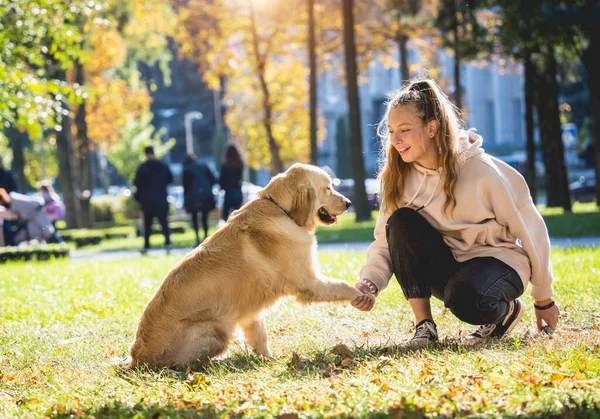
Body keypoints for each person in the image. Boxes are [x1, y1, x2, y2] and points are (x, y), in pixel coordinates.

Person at [351, 76, 560, 346]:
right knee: (400, 221)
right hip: (450, 267)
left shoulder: (482, 171)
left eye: (404, 129)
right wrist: (370, 283)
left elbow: (532, 230)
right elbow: (386, 240)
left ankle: (507, 311)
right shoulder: (398, 178)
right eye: (391, 131)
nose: (396, 139)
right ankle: (424, 327)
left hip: (499, 263)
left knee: (464, 298)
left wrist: (543, 298)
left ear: (431, 128)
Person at [134, 146, 174, 254]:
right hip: (161, 199)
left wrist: (139, 199)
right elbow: (170, 179)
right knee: (164, 224)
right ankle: (168, 244)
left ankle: (146, 246)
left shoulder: (142, 167)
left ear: (145, 154)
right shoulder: (163, 166)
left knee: (147, 226)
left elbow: (137, 184)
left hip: (147, 202)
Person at [182, 153, 218, 246]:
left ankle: (197, 239)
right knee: (204, 218)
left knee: (194, 218)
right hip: (205, 195)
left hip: (193, 196)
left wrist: (185, 201)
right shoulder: (204, 166)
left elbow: (185, 186)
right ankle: (205, 237)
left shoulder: (187, 169)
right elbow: (213, 180)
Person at [219, 144, 244, 222]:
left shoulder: (225, 165)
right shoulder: (240, 164)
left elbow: (222, 179)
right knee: (238, 215)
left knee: (226, 214)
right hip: (238, 190)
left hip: (229, 191)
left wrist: (222, 187)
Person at [0, 156, 19, 246]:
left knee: (6, 226)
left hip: (7, 205)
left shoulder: (8, 175)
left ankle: (10, 244)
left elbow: (15, 191)